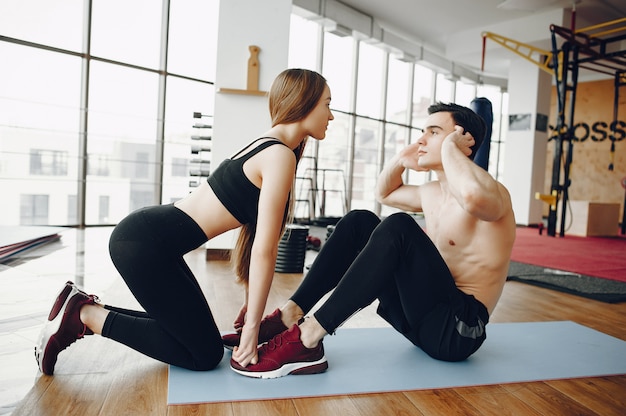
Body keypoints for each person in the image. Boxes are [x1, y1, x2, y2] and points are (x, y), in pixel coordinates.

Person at [34, 68, 334, 375]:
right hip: (144, 244)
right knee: (203, 355)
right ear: (304, 102)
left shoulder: (267, 146)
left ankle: (83, 309)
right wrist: (253, 328)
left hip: (149, 239)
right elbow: (264, 251)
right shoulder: (279, 156)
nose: (331, 115)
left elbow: (253, 238)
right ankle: (84, 316)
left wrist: (250, 308)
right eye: (327, 103)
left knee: (196, 339)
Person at [226, 102, 516, 379]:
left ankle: (309, 337)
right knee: (360, 221)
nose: (421, 140)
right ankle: (291, 314)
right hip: (421, 320)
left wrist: (452, 149)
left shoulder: (493, 192)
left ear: (463, 139)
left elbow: (473, 197)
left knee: (399, 227)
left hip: (459, 330)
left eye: (434, 132)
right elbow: (384, 194)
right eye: (423, 131)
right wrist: (401, 160)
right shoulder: (431, 192)